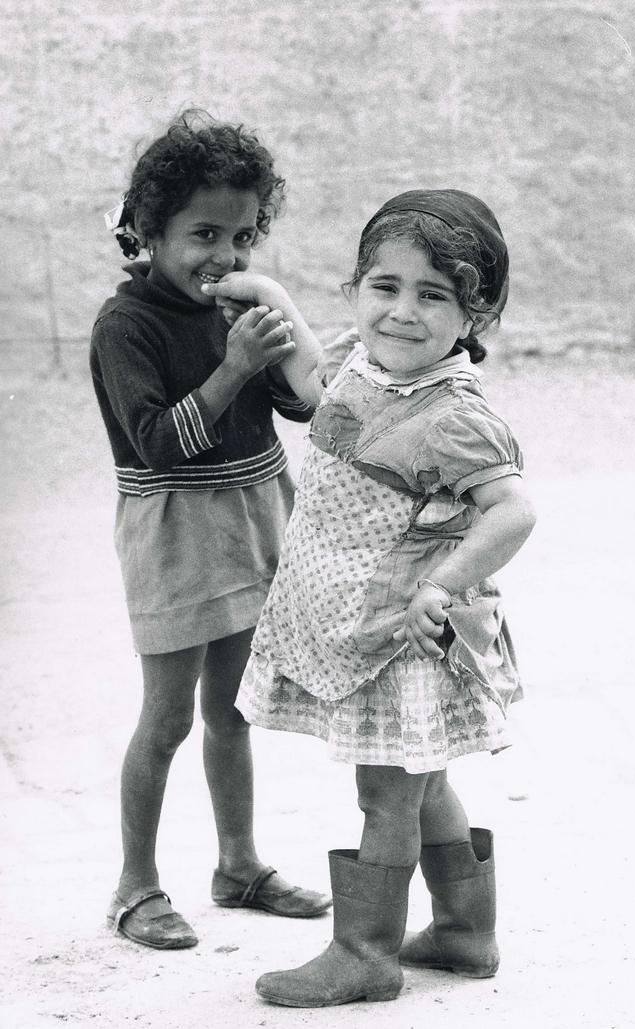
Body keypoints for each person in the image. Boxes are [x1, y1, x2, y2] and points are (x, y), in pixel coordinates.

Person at [205, 187, 537, 1006]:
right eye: (384, 286)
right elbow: (318, 390)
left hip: (399, 635)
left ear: (475, 315)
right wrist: (274, 301)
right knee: (422, 785)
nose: (402, 312)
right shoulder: (366, 364)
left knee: (385, 791)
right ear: (356, 288)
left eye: (434, 295)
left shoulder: (452, 415)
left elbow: (514, 509)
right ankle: (464, 931)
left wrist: (441, 585)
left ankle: (364, 950)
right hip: (360, 623)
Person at [90, 109, 330, 951]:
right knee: (167, 720)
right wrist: (235, 366)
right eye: (201, 233)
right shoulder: (127, 327)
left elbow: (301, 406)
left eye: (242, 236)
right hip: (177, 536)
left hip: (254, 515)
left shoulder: (237, 306)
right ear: (148, 231)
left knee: (234, 710)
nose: (223, 257)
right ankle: (135, 886)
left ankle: (238, 865)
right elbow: (157, 445)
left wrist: (293, 354)